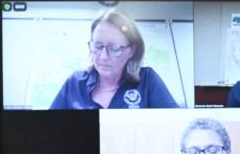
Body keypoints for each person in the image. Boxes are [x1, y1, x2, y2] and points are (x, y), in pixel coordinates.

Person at [50, 8, 179, 109]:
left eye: (114, 49)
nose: (103, 57)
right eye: (97, 46)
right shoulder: (75, 84)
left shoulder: (147, 81)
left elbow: (176, 126)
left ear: (132, 51)